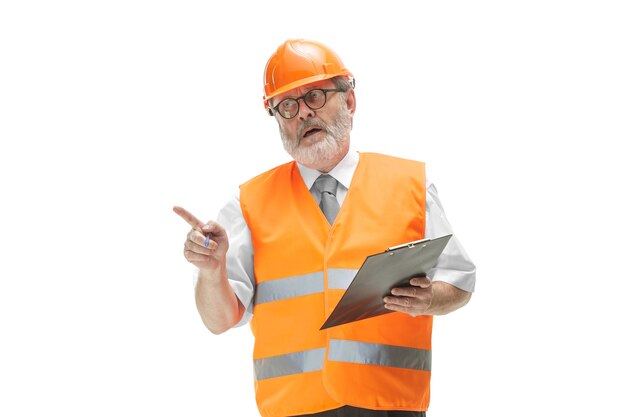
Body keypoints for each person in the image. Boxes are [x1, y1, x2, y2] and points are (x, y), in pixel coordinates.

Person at [174, 39, 475, 417]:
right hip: (293, 408)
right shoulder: (247, 205)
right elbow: (218, 321)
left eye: (314, 96)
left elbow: (461, 281)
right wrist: (210, 270)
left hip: (391, 404)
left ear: (348, 101)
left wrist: (430, 298)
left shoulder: (410, 184)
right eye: (287, 105)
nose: (302, 114)